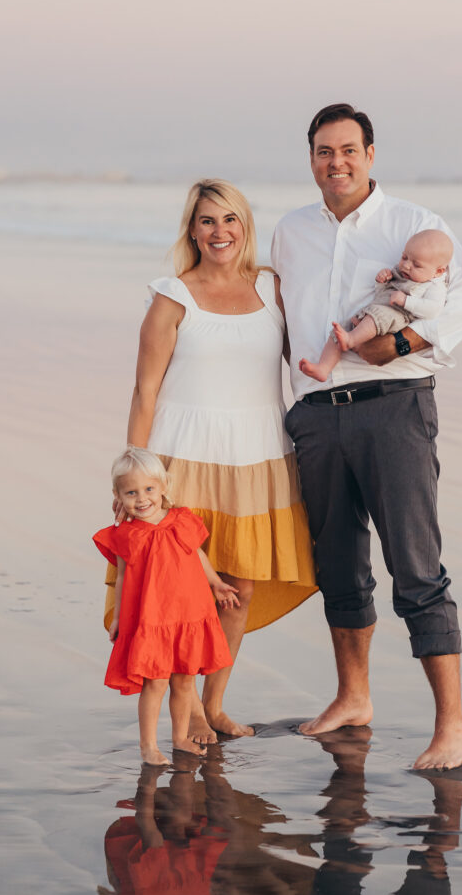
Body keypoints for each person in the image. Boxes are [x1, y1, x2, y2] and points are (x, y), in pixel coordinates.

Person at [271, 103, 462, 770]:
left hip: (394, 409)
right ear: (309, 157)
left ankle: (450, 727)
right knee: (337, 563)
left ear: (369, 154)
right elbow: (277, 324)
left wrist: (397, 343)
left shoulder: (415, 226)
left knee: (415, 568)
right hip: (315, 413)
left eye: (347, 150)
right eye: (321, 151)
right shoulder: (289, 232)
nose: (334, 162)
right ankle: (352, 698)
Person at [108, 179, 316, 742]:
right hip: (183, 458)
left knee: (239, 589)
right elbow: (144, 392)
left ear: (245, 226)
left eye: (229, 220)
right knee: (182, 590)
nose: (219, 231)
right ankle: (187, 710)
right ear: (192, 230)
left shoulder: (273, 290)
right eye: (206, 221)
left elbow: (311, 355)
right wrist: (134, 472)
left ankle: (215, 703)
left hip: (259, 455)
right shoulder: (173, 295)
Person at [94, 447, 239, 765]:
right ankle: (148, 746)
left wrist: (216, 583)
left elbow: (198, 555)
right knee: (155, 683)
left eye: (149, 489)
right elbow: (121, 578)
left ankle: (179, 738)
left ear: (162, 487)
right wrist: (118, 617)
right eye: (131, 492)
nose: (142, 498)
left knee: (185, 680)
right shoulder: (127, 534)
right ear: (118, 496)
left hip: (188, 613)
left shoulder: (182, 521)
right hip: (153, 620)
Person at [299, 229, 453, 382]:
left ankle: (351, 340)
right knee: (340, 330)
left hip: (399, 316)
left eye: (416, 265)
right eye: (404, 257)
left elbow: (433, 310)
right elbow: (382, 294)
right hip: (376, 311)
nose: (406, 265)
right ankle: (323, 368)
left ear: (438, 272)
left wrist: (406, 301)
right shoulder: (402, 272)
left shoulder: (435, 286)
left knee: (376, 317)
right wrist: (382, 281)